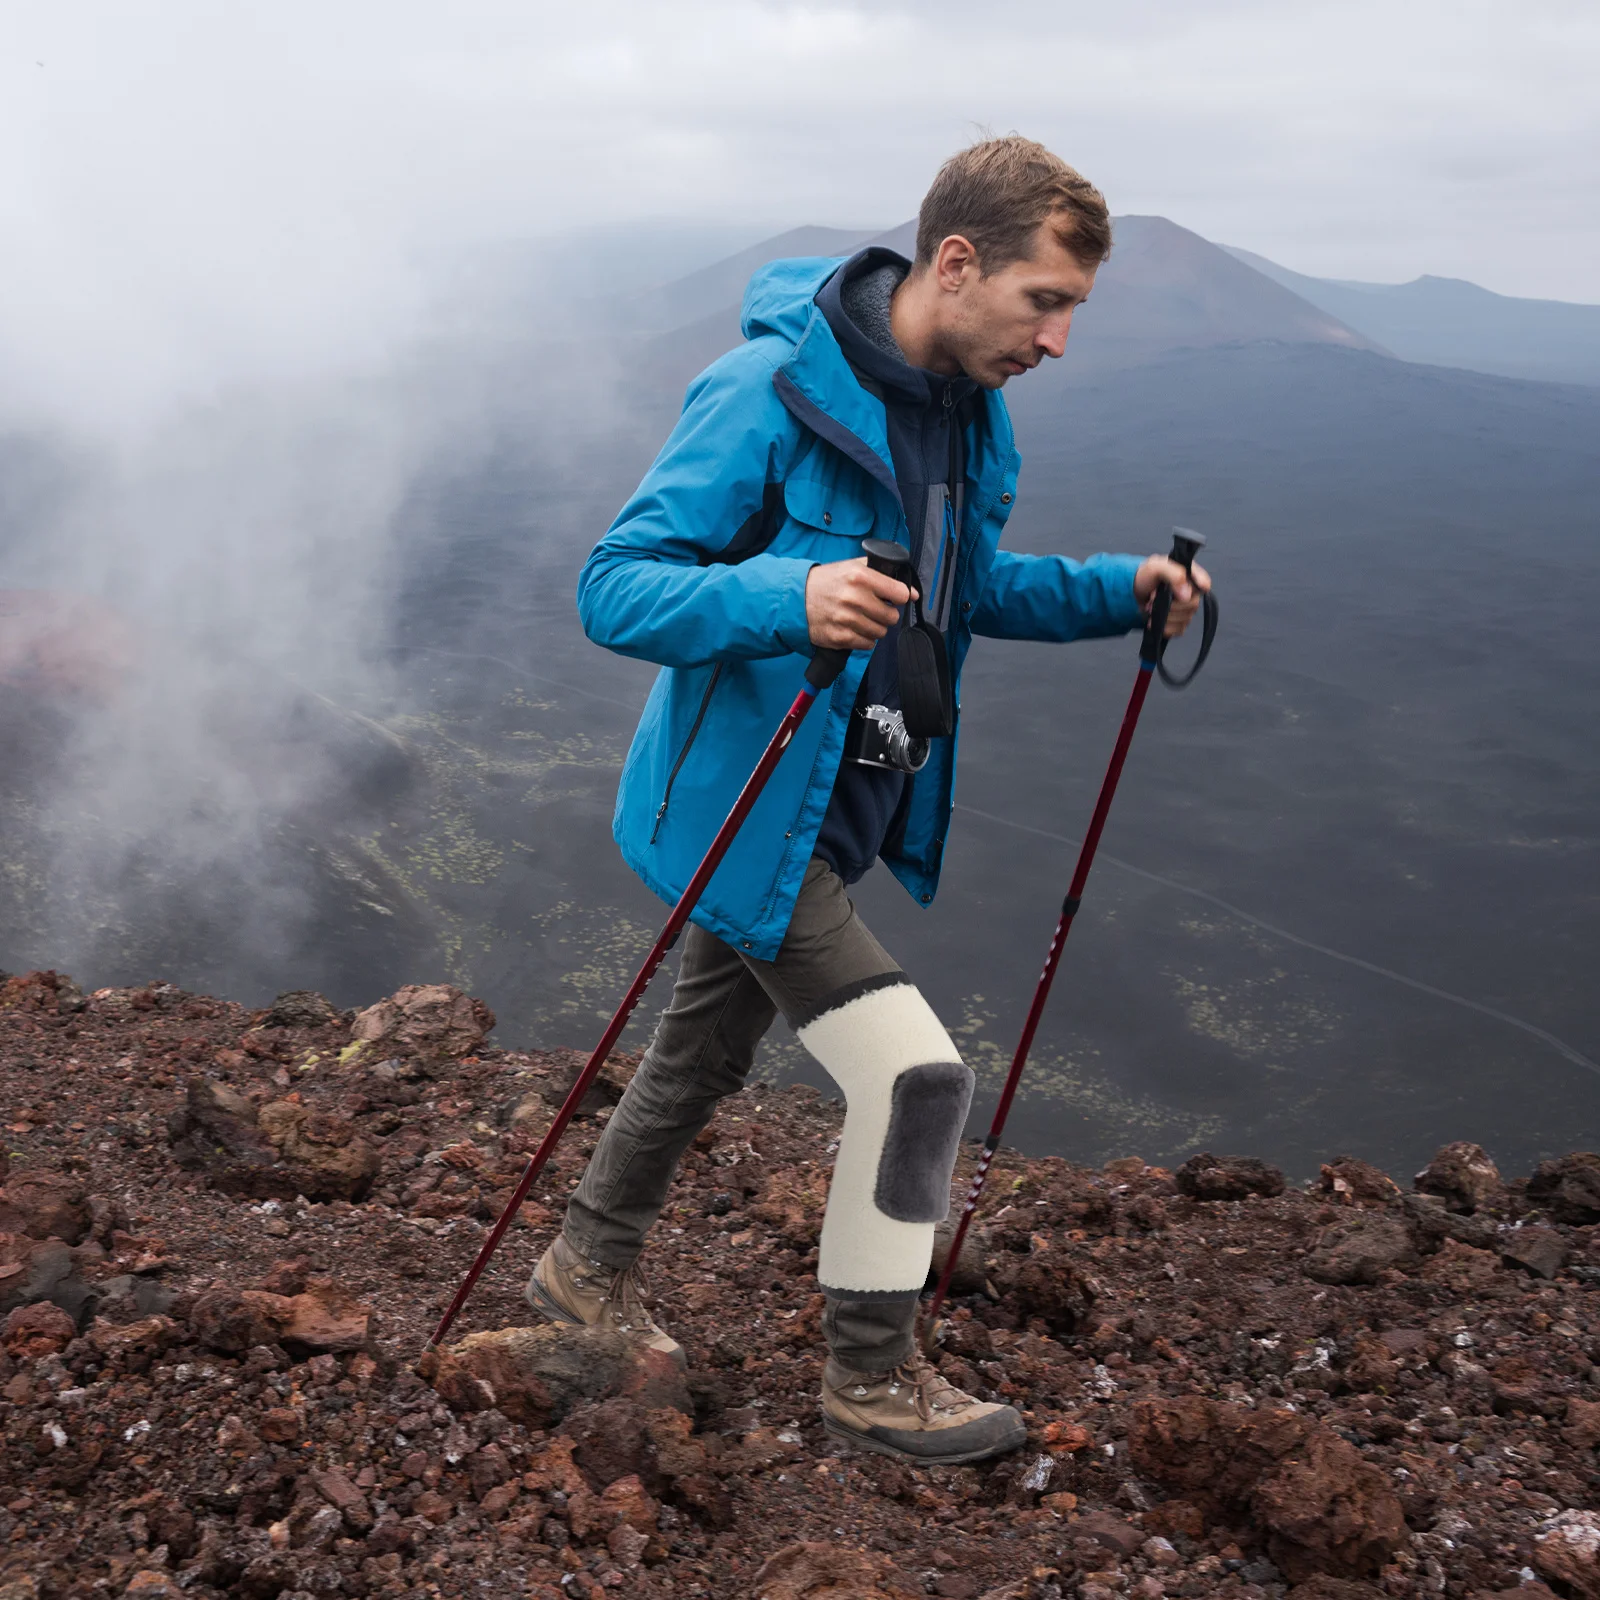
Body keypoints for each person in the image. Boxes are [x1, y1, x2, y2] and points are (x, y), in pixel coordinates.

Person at [526, 135, 1212, 1467]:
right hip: (755, 806)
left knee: (701, 1051)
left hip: (836, 810)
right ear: (957, 264)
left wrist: (1115, 588)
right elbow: (614, 585)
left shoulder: (965, 414)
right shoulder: (767, 392)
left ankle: (579, 1274)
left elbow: (961, 595)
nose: (1060, 340)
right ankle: (871, 1380)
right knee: (916, 1082)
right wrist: (789, 596)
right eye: (1045, 301)